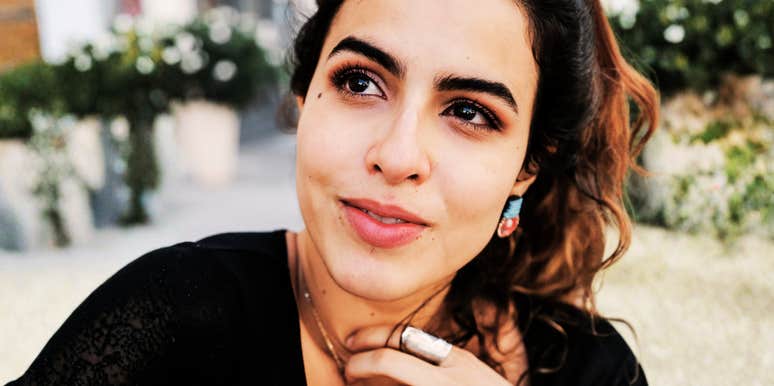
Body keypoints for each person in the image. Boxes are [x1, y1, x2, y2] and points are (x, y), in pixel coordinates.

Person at [6, 0, 659, 385]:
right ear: (304, 96)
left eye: (469, 112)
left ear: (527, 168)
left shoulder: (591, 369)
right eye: (360, 82)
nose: (397, 156)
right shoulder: (166, 316)